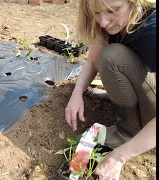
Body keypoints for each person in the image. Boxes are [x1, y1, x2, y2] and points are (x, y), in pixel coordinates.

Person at [64, 0, 156, 179]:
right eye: (96, 13)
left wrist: (120, 156)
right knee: (108, 56)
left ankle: (127, 134)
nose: (103, 22)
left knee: (112, 56)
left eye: (113, 10)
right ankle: (130, 119)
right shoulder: (117, 22)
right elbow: (92, 61)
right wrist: (77, 94)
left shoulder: (151, 33)